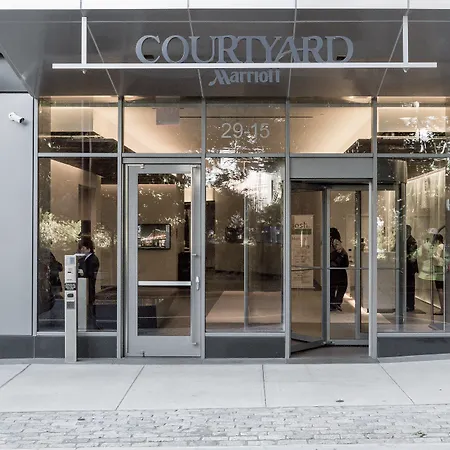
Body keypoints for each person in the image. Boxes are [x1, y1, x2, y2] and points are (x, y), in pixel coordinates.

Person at [77, 237, 100, 329]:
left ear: (88, 249)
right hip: (85, 286)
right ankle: (89, 323)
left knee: (89, 304)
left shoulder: (92, 259)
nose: (81, 250)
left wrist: (81, 271)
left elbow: (89, 273)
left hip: (88, 286)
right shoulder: (85, 259)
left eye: (83, 248)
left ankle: (92, 324)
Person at [330, 227, 349, 312]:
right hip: (338, 268)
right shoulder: (335, 241)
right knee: (343, 285)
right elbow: (340, 251)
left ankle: (332, 303)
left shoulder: (328, 241)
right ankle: (337, 302)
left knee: (332, 286)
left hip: (332, 267)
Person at [406, 225, 419, 312]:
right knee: (408, 286)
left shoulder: (412, 241)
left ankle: (410, 305)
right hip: (408, 267)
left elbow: (412, 256)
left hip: (410, 268)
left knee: (410, 286)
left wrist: (407, 258)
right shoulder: (408, 240)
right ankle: (408, 304)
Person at [432, 233, 445, 315]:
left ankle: (442, 309)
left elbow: (437, 258)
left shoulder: (440, 247)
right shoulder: (443, 246)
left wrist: (431, 255)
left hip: (439, 268)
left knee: (440, 289)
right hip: (441, 268)